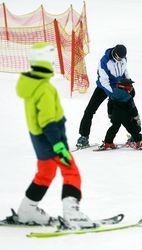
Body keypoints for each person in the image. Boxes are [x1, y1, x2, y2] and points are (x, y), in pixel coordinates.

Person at [12, 42, 94, 228]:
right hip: (53, 141)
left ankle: (27, 211)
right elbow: (48, 121)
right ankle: (72, 214)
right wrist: (59, 146)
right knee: (71, 171)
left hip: (40, 142)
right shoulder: (44, 89)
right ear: (47, 60)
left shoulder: (31, 85)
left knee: (45, 173)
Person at [76, 44, 135, 148]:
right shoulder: (105, 61)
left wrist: (129, 84)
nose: (120, 60)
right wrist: (113, 94)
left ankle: (135, 135)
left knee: (129, 109)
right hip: (104, 88)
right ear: (114, 54)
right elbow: (104, 81)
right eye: (118, 58)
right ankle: (83, 137)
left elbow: (125, 72)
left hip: (119, 86)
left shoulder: (123, 59)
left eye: (122, 58)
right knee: (89, 110)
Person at [99, 78, 142, 150]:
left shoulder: (112, 94)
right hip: (126, 117)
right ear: (124, 86)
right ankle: (138, 142)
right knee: (133, 129)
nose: (131, 87)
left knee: (113, 129)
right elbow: (132, 108)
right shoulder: (128, 97)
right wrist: (136, 117)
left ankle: (108, 143)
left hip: (115, 116)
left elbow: (109, 105)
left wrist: (110, 114)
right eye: (130, 85)